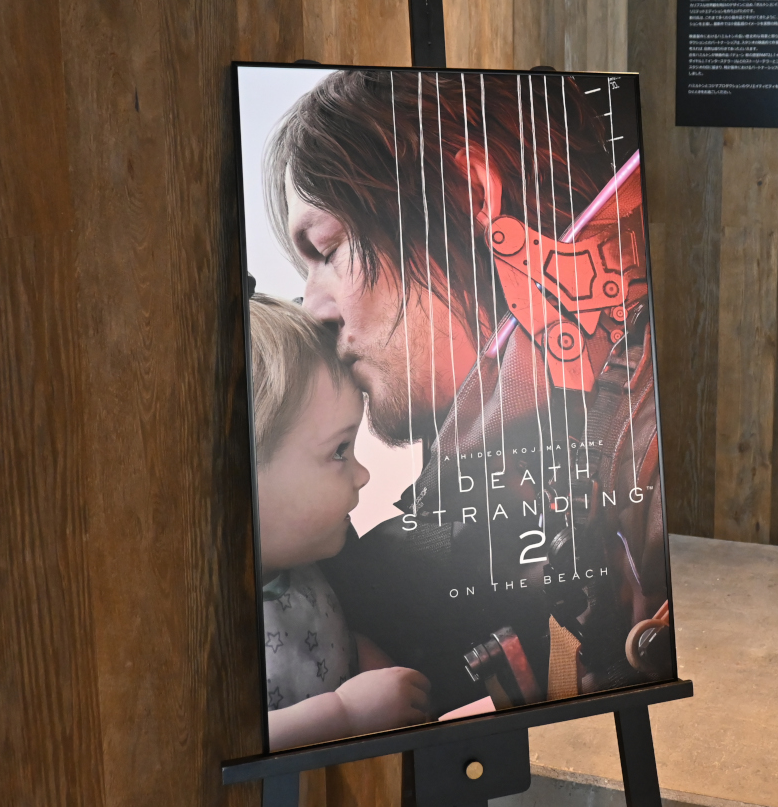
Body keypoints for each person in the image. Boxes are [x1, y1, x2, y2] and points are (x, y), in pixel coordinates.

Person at [265, 70, 672, 717]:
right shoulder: (528, 444)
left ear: (473, 192)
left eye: (328, 248)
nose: (314, 307)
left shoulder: (643, 447)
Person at [249, 293, 431, 749]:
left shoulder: (307, 569)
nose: (363, 474)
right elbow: (228, 740)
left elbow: (322, 633)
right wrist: (346, 714)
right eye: (338, 451)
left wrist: (363, 657)